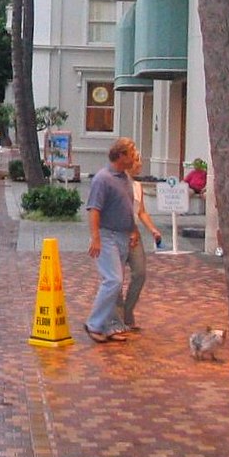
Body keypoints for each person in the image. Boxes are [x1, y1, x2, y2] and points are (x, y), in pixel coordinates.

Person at [83, 137, 139, 343]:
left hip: (123, 235)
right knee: (113, 280)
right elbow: (94, 209)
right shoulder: (102, 179)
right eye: (131, 154)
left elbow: (126, 207)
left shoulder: (125, 178)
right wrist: (96, 237)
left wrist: (133, 230)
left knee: (116, 282)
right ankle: (94, 323)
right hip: (107, 236)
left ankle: (111, 325)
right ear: (121, 155)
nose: (134, 158)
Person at [116, 155, 162, 331]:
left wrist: (153, 230)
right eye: (137, 161)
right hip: (120, 234)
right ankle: (120, 318)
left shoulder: (137, 186)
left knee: (140, 273)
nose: (140, 164)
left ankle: (128, 311)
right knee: (116, 278)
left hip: (135, 236)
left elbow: (141, 211)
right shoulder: (117, 184)